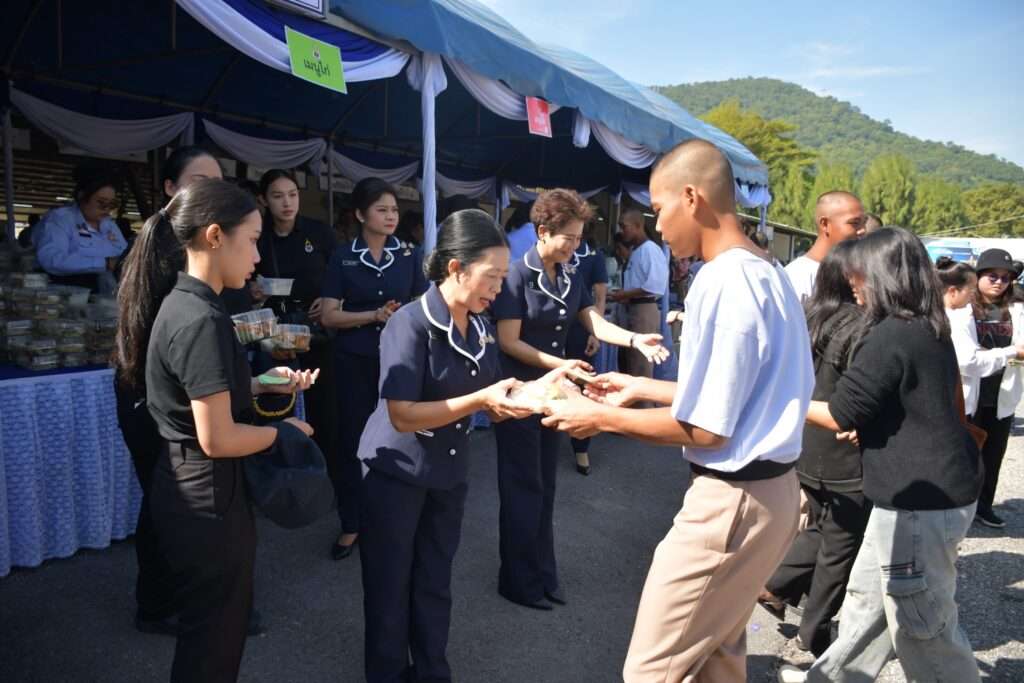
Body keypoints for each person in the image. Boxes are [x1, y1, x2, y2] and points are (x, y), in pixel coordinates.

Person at [542, 140, 813, 682]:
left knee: (652, 670)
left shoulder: (723, 278)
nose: (658, 226)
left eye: (660, 209)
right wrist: (642, 388)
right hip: (773, 493)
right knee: (717, 657)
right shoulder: (767, 270)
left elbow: (707, 428)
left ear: (692, 198)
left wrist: (598, 418)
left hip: (733, 502)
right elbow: (744, 394)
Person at [113, 178, 317, 682]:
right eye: (252, 240)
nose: (257, 257)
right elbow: (218, 438)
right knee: (214, 644)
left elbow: (197, 395)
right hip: (206, 496)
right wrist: (286, 432)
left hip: (189, 487)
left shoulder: (184, 304)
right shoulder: (201, 317)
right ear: (214, 236)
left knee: (208, 635)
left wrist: (259, 383)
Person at [778, 228, 982, 683]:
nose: (852, 282)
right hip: (922, 490)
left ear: (884, 275)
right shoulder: (926, 325)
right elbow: (911, 404)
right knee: (868, 606)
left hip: (919, 500)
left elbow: (840, 412)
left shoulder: (890, 334)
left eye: (859, 273)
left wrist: (776, 399)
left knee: (923, 624)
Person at [357, 209, 533, 682]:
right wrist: (480, 400)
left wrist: (545, 390)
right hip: (396, 472)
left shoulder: (480, 326)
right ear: (456, 268)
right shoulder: (409, 324)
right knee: (390, 586)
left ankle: (432, 671)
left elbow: (494, 392)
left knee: (434, 579)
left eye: (503, 277)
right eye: (492, 276)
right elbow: (402, 413)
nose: (499, 288)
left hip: (447, 473)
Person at [112, 146, 270, 638]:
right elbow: (215, 435)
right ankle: (167, 602)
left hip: (182, 394)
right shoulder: (180, 271)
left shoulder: (199, 285)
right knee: (176, 503)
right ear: (170, 188)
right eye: (201, 181)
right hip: (160, 398)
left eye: (218, 181)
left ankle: (201, 602)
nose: (212, 189)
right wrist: (281, 433)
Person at [492, 188, 667, 612]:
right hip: (519, 395)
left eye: (579, 238)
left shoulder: (569, 274)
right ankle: (517, 581)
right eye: (568, 238)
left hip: (553, 395)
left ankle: (543, 572)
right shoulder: (515, 275)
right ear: (542, 232)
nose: (575, 246)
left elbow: (592, 320)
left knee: (545, 485)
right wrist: (563, 365)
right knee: (522, 487)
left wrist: (633, 339)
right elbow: (509, 341)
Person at [759, 241, 872, 658]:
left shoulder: (810, 316)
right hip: (844, 447)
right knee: (840, 545)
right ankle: (814, 633)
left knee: (823, 526)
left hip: (808, 443)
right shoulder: (863, 326)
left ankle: (776, 585)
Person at [321, 177, 428, 560]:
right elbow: (329, 316)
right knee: (353, 441)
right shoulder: (343, 256)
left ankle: (389, 519)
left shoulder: (409, 255)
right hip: (353, 362)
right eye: (381, 209)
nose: (390, 216)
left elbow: (423, 306)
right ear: (360, 214)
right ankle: (352, 522)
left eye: (394, 209)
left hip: (397, 362)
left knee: (399, 438)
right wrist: (373, 315)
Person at [250, 169, 338, 490]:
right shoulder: (258, 237)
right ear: (263, 200)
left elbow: (339, 276)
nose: (287, 203)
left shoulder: (319, 232)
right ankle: (278, 479)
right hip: (273, 334)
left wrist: (331, 299)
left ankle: (324, 476)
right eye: (277, 196)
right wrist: (253, 292)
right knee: (276, 404)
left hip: (315, 332)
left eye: (293, 195)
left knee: (323, 407)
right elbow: (243, 283)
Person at [963, 248, 1024, 529]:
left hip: (1001, 393)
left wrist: (1012, 357)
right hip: (968, 393)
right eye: (992, 276)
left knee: (993, 453)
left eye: (1005, 277)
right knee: (964, 453)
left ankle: (984, 506)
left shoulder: (1016, 309)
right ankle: (960, 507)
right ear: (978, 276)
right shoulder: (964, 308)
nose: (999, 282)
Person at [33, 162, 127, 293]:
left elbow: (123, 253)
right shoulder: (61, 219)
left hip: (108, 293)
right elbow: (51, 259)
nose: (106, 209)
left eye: (111, 204)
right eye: (101, 203)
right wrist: (105, 263)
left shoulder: (110, 225)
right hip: (71, 294)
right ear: (82, 196)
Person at [564, 224, 609, 475]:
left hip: (581, 327)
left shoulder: (593, 255)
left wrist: (595, 332)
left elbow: (600, 296)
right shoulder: (552, 251)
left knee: (582, 384)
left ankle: (581, 447)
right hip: (550, 328)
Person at [608, 208, 669, 384]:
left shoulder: (650, 249)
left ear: (637, 226)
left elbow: (655, 285)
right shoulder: (636, 251)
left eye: (624, 226)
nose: (622, 231)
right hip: (630, 307)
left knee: (640, 365)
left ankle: (642, 399)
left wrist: (624, 294)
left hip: (643, 310)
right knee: (627, 362)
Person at [784, 191, 866, 302]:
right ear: (825, 224)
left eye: (864, 223)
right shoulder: (796, 278)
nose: (863, 230)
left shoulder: (859, 275)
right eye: (855, 223)